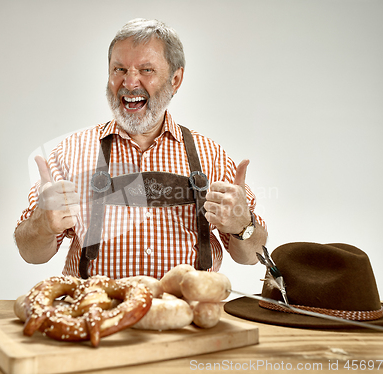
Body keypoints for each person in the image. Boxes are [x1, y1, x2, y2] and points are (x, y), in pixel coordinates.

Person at [15, 18, 268, 279]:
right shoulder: (71, 152)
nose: (130, 82)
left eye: (146, 70)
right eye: (119, 69)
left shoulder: (210, 155)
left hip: (189, 315)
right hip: (97, 313)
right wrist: (43, 224)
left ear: (176, 79)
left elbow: (250, 256)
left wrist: (243, 225)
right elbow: (31, 253)